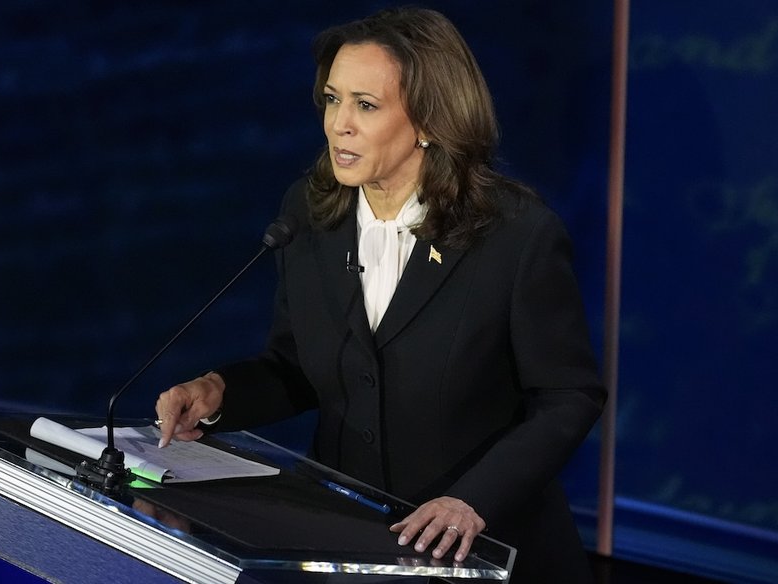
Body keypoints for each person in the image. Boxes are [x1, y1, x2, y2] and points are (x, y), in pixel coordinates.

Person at [154, 7, 606, 583]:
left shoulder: (515, 235)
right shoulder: (311, 212)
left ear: (429, 121)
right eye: (332, 99)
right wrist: (218, 395)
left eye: (365, 106)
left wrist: (472, 502)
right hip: (350, 545)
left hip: (484, 551)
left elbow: (568, 396)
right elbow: (296, 366)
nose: (338, 124)